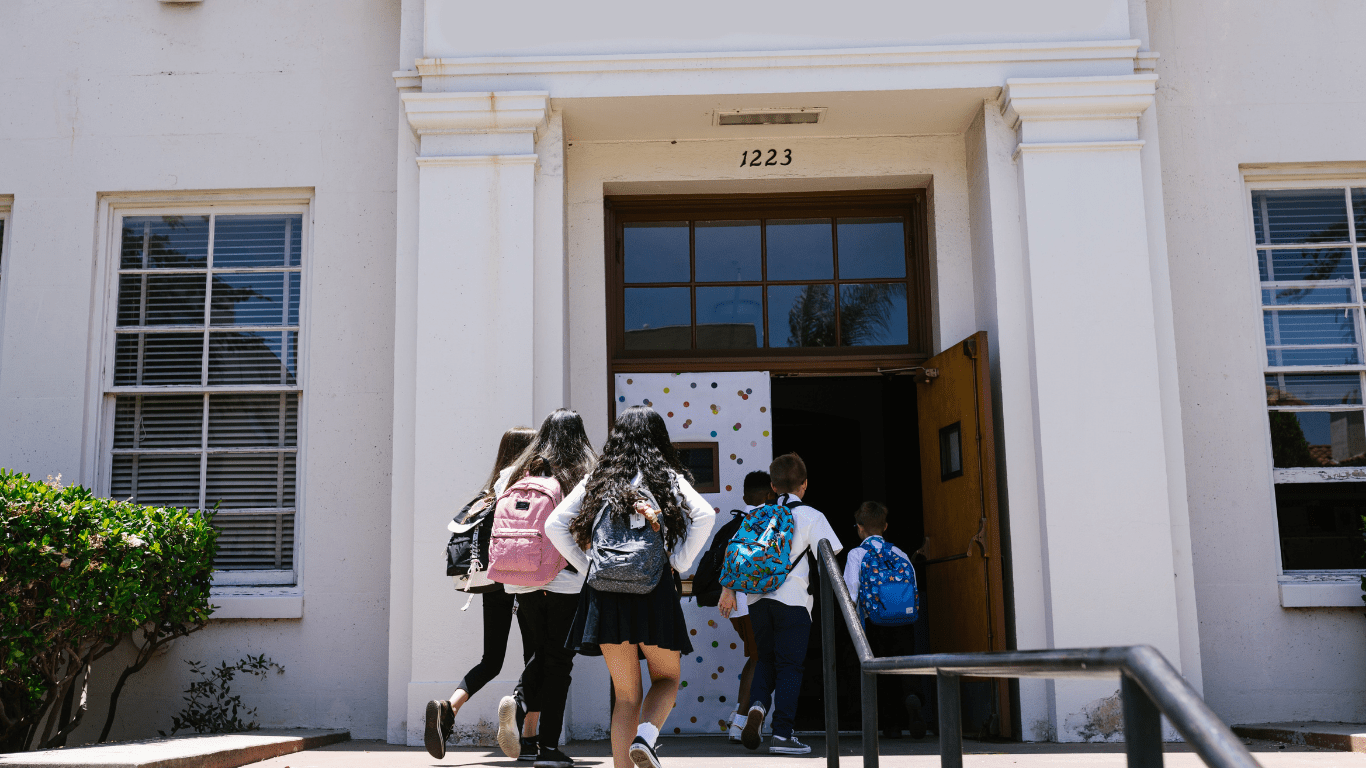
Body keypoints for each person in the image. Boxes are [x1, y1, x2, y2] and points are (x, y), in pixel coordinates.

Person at [546, 406, 716, 768]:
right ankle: (647, 737)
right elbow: (705, 514)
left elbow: (554, 524)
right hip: (654, 590)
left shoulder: (598, 478)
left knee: (625, 696)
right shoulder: (666, 476)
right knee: (667, 677)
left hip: (604, 593)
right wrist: (679, 561)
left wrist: (587, 566)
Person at [424, 427, 537, 760]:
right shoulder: (531, 485)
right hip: (526, 578)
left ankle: (449, 707)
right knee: (538, 655)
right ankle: (527, 732)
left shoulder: (492, 489)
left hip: (492, 579)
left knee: (492, 660)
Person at [719, 452, 841, 756]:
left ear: (772, 486)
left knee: (765, 660)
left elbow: (735, 553)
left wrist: (730, 590)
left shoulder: (758, 515)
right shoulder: (812, 516)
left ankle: (758, 707)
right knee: (790, 667)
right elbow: (831, 557)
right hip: (794, 602)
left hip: (758, 600)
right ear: (805, 484)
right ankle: (783, 734)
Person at [496, 410, 598, 768]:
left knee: (538, 652)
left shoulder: (513, 475)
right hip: (566, 580)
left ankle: (521, 703)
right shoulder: (583, 475)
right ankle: (549, 750)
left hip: (521, 579)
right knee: (558, 661)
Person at [842, 501, 927, 740]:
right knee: (905, 668)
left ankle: (891, 726)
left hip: (874, 623)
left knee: (880, 673)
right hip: (904, 622)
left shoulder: (857, 554)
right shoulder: (899, 553)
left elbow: (850, 591)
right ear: (886, 526)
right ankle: (913, 696)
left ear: (859, 528)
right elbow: (913, 587)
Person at [718, 471, 772, 743]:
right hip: (756, 604)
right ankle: (740, 722)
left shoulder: (739, 522)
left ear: (744, 496)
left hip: (737, 607)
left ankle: (737, 718)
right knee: (759, 659)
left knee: (756, 657)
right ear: (771, 494)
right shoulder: (769, 520)